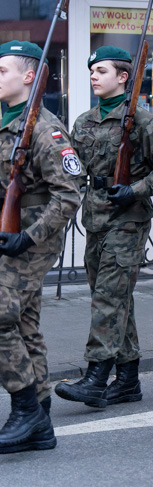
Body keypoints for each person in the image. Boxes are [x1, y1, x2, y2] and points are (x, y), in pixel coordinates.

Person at [57, 46, 153, 409]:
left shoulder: (144, 121)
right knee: (115, 298)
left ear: (123, 77)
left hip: (127, 220)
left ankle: (97, 376)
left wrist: (136, 189)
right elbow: (69, 170)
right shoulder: (83, 121)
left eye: (101, 70)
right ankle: (128, 380)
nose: (94, 76)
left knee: (108, 299)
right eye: (92, 71)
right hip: (94, 217)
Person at [0, 41, 81, 452]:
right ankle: (41, 422)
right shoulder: (2, 122)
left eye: (2, 70)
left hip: (33, 237)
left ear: (29, 77)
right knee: (23, 324)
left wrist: (28, 236)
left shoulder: (46, 129)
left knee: (0, 313)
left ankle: (25, 407)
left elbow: (68, 194)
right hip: (6, 232)